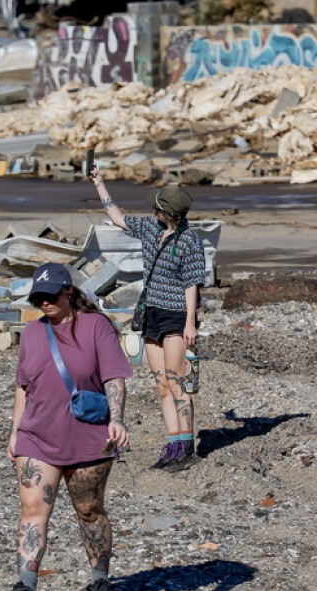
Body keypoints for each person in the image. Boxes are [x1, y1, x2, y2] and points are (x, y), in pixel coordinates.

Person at [0, 262, 132, 591]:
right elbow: (23, 387)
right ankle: (26, 589)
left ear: (69, 291)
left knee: (89, 510)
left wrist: (116, 420)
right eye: (38, 297)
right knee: (33, 509)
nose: (45, 303)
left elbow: (114, 379)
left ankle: (100, 579)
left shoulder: (96, 327)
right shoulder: (31, 333)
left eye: (51, 295)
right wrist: (15, 433)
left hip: (89, 437)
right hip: (36, 436)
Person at [88, 168, 208, 472]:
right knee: (162, 385)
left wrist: (190, 323)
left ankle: (186, 446)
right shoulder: (151, 229)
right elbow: (118, 218)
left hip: (177, 316)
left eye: (156, 206)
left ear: (167, 212)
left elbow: (192, 283)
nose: (151, 209)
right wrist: (100, 185)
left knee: (177, 382)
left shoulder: (190, 242)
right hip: (151, 313)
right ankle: (172, 444)